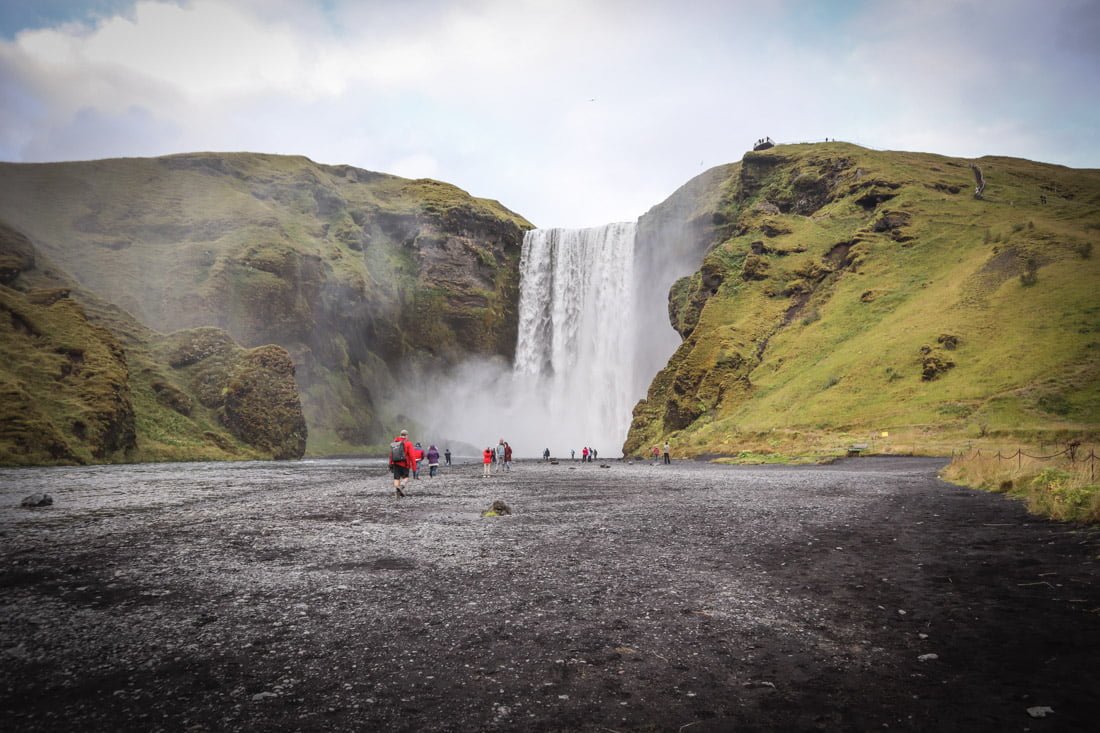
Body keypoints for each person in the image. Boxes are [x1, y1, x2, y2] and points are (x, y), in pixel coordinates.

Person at [388, 429, 414, 497]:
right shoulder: (408, 443)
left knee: (396, 478)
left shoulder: (395, 442)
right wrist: (414, 467)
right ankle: (402, 486)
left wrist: (390, 463)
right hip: (405, 464)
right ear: (407, 435)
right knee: (406, 477)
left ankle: (397, 492)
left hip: (395, 463)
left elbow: (391, 454)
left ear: (400, 434)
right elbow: (411, 456)